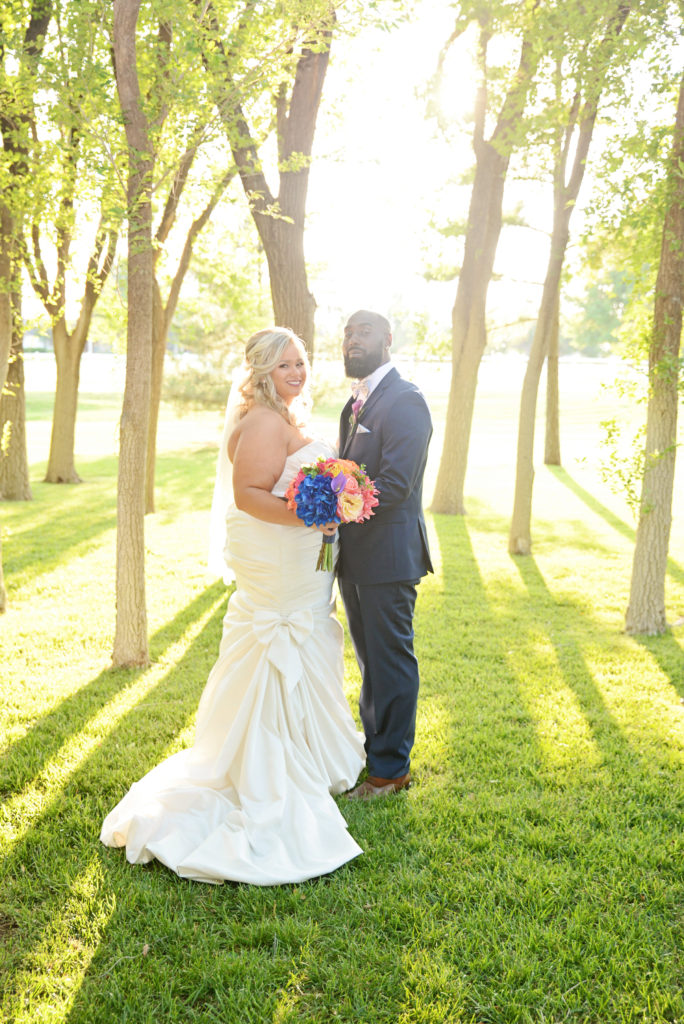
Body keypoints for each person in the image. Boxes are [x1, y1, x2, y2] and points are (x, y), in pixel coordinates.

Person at [101, 328, 365, 884]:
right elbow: (249, 496)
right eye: (284, 364)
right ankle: (267, 763)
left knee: (306, 632)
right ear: (262, 371)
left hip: (297, 563)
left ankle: (309, 751)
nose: (296, 372)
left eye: (300, 362)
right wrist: (317, 515)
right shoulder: (264, 422)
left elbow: (283, 487)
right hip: (281, 564)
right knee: (279, 641)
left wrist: (331, 502)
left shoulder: (284, 419)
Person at [337, 310, 433, 801]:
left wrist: (333, 498)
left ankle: (391, 773)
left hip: (390, 558)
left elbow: (396, 484)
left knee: (390, 662)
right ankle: (378, 755)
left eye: (365, 332)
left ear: (388, 339)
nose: (353, 340)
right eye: (348, 333)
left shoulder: (406, 400)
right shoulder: (354, 403)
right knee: (370, 661)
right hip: (355, 558)